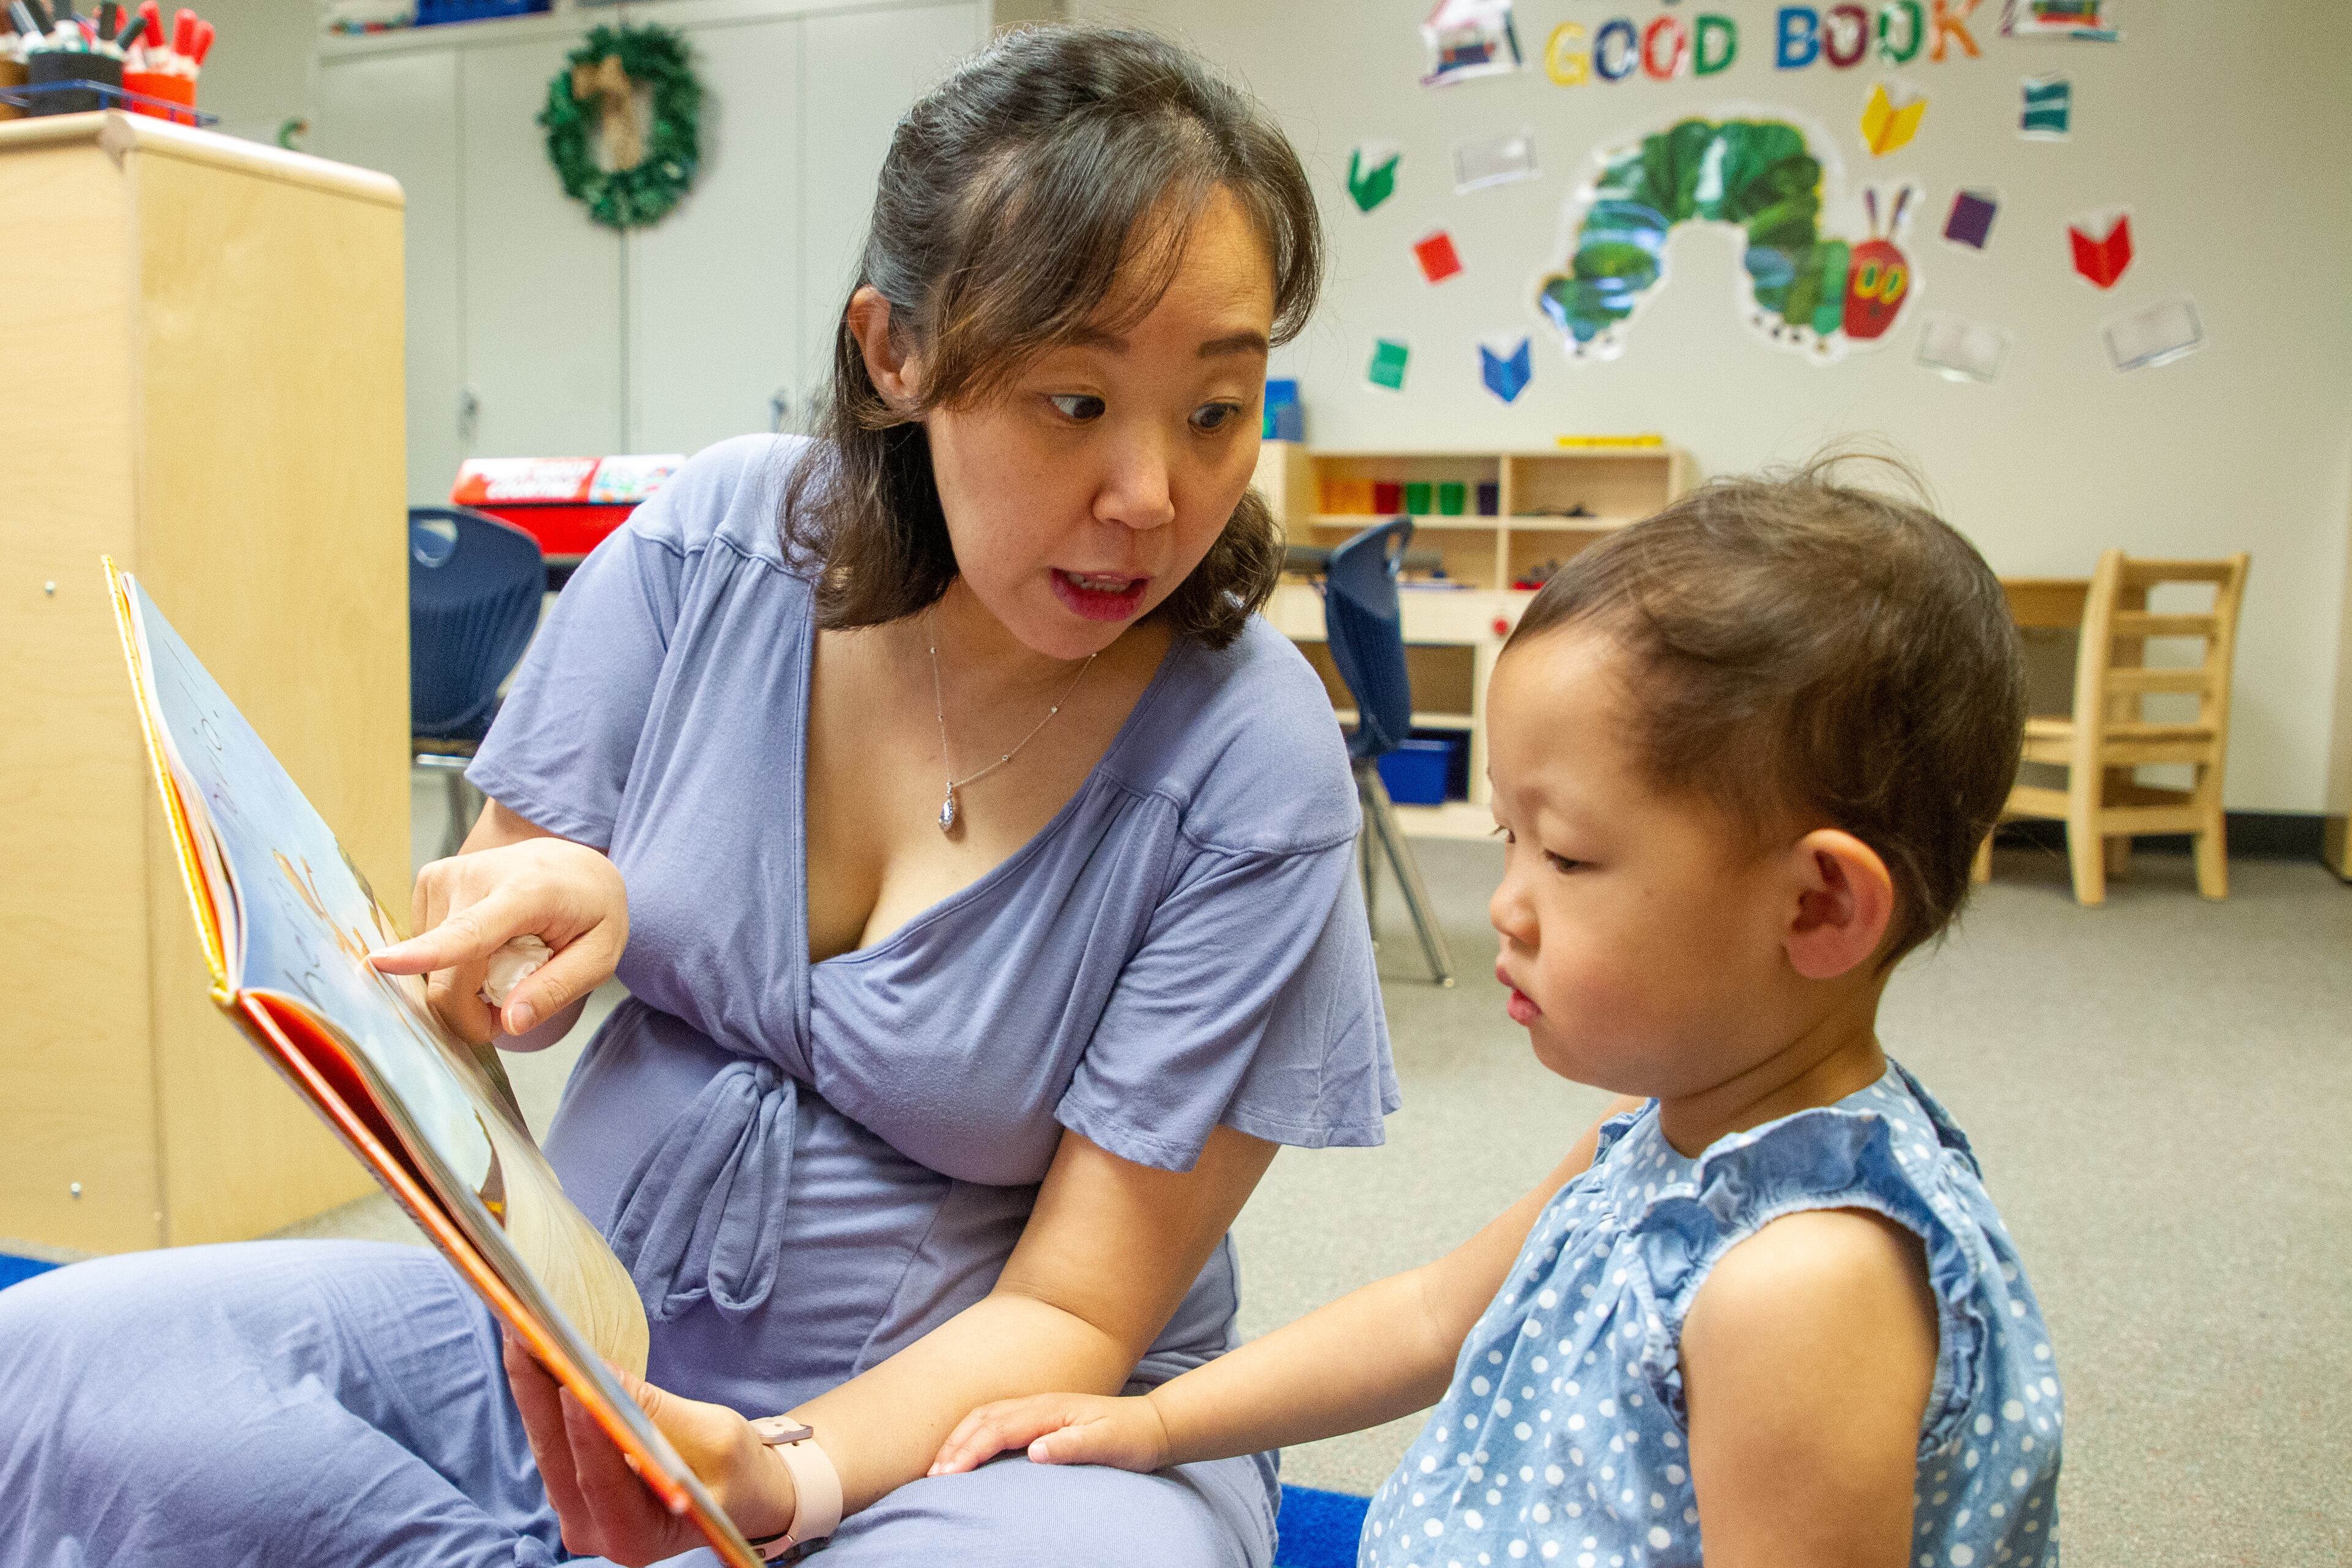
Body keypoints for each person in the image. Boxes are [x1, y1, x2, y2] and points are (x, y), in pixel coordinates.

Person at [0, 25, 1397, 1567]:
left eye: (1215, 412)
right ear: (896, 353)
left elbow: (1072, 1309)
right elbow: (470, 1000)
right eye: (1075, 402)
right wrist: (507, 952)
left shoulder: (1250, 762)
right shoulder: (720, 544)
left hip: (1002, 1439)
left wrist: (779, 1473)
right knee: (63, 1369)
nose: (1152, 494)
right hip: (590, 1350)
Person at [935, 463, 2067, 1567]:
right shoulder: (1662, 1132)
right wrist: (1162, 1425)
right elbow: (1434, 1319)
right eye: (1505, 842)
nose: (1507, 906)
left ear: (1819, 907)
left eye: (1567, 856)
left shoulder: (1806, 1283)